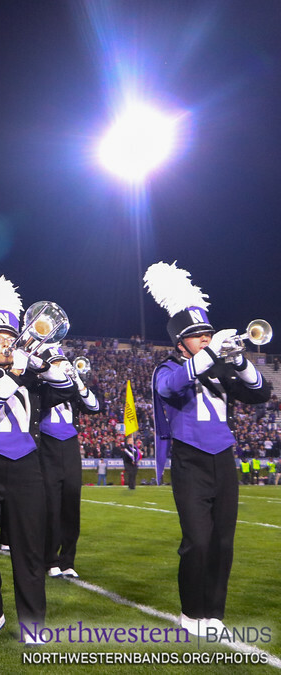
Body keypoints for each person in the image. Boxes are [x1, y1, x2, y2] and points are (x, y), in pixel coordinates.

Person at [145, 262, 271, 639]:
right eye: (198, 336)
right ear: (180, 342)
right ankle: (192, 611)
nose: (205, 339)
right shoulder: (167, 369)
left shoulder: (220, 368)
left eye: (208, 335)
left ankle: (214, 612)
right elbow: (169, 388)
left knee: (222, 542)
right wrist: (211, 353)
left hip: (223, 459)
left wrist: (239, 360)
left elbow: (260, 393)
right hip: (190, 461)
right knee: (197, 541)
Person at [0, 277, 74, 646]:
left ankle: (33, 624)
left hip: (26, 468)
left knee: (29, 551)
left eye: (12, 338)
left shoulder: (32, 377)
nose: (7, 344)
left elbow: (69, 388)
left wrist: (41, 363)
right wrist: (17, 373)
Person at [37, 348, 103, 579]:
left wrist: (79, 383)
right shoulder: (40, 388)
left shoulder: (72, 388)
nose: (62, 367)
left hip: (70, 448)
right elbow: (54, 396)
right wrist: (64, 381)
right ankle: (50, 559)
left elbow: (94, 407)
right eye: (56, 363)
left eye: (63, 362)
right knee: (51, 507)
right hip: (47, 448)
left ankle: (68, 560)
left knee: (71, 506)